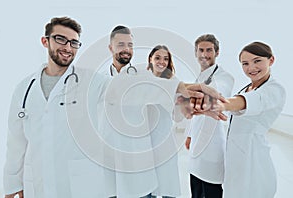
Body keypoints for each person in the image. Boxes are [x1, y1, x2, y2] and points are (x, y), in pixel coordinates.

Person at [101, 26, 226, 198]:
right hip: (113, 149)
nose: (126, 49)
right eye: (121, 44)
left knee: (154, 188)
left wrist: (188, 104)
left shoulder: (141, 75)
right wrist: (185, 89)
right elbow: (131, 90)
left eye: (130, 45)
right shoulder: (103, 78)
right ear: (110, 47)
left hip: (147, 147)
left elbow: (157, 94)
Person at [3, 17, 111, 198]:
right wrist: (12, 184)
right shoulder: (24, 88)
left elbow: (127, 89)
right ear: (45, 41)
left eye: (74, 43)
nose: (68, 48)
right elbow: (16, 142)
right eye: (61, 39)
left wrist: (175, 89)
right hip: (39, 184)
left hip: (81, 186)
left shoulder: (91, 82)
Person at [213, 41, 286, 198]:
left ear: (271, 60)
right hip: (236, 156)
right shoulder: (247, 88)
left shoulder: (274, 89)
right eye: (245, 63)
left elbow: (246, 101)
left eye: (257, 61)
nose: (251, 68)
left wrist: (220, 104)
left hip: (254, 159)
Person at [185, 34, 234, 198]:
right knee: (196, 190)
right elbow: (195, 111)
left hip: (212, 144)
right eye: (201, 50)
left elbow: (219, 90)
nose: (204, 54)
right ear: (195, 53)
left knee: (211, 189)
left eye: (209, 50)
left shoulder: (224, 76)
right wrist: (190, 135)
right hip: (196, 142)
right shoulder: (199, 76)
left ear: (217, 52)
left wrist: (210, 94)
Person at [146, 45, 181, 198]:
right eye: (158, 58)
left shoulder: (175, 83)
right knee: (147, 185)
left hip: (165, 139)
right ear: (150, 59)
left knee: (168, 184)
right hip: (145, 141)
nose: (162, 62)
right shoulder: (142, 81)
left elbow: (178, 116)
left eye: (166, 59)